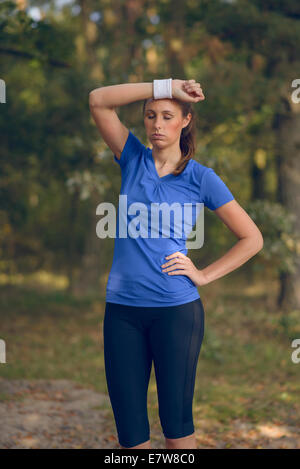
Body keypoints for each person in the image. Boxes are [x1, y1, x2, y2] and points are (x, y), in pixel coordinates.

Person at [89, 79, 264, 449]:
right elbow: (99, 101)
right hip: (122, 312)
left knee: (176, 427)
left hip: (176, 312)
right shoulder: (132, 157)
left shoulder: (201, 177)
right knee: (131, 432)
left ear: (185, 120)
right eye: (150, 115)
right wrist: (165, 84)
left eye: (167, 116)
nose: (156, 124)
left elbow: (252, 238)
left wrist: (203, 274)